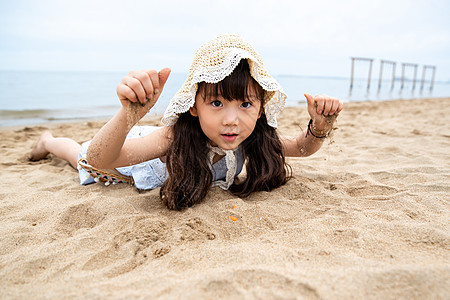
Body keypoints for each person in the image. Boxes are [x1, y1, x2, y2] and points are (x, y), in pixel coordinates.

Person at [30, 34, 343, 210]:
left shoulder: (253, 135)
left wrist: (319, 125)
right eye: (217, 103)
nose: (231, 120)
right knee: (78, 156)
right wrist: (128, 116)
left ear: (261, 107)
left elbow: (301, 148)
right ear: (194, 106)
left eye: (245, 103)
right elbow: (99, 158)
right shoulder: (173, 137)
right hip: (122, 156)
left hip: (130, 150)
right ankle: (47, 141)